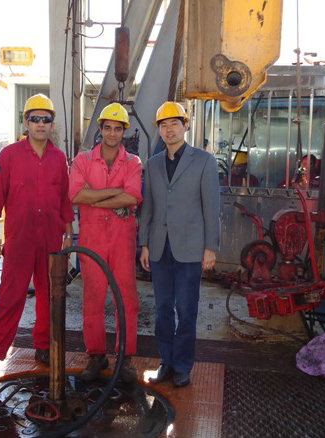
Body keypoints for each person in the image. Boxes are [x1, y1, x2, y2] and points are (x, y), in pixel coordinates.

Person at [0, 94, 75, 388]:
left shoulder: (58, 158)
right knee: (10, 299)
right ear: (26, 122)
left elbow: (64, 198)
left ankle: (43, 347)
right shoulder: (9, 155)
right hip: (19, 240)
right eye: (35, 119)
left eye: (46, 119)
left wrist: (69, 233)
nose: (41, 124)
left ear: (53, 124)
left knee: (49, 297)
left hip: (51, 238)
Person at [138, 101, 220, 388]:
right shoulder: (153, 164)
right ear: (159, 130)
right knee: (162, 309)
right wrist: (144, 244)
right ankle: (166, 361)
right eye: (164, 125)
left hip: (190, 248)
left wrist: (210, 247)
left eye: (174, 123)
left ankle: (183, 365)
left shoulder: (204, 161)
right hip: (159, 247)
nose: (169, 129)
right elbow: (148, 207)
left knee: (186, 310)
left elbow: (211, 206)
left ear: (185, 126)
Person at [69, 102, 142, 383]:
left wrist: (95, 197)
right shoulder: (83, 160)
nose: (112, 133)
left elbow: (132, 197)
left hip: (122, 240)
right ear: (100, 129)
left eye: (118, 128)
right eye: (108, 128)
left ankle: (125, 356)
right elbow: (76, 195)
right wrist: (115, 193)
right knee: (93, 298)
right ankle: (96, 355)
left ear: (124, 131)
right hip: (93, 239)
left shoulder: (133, 162)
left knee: (127, 299)